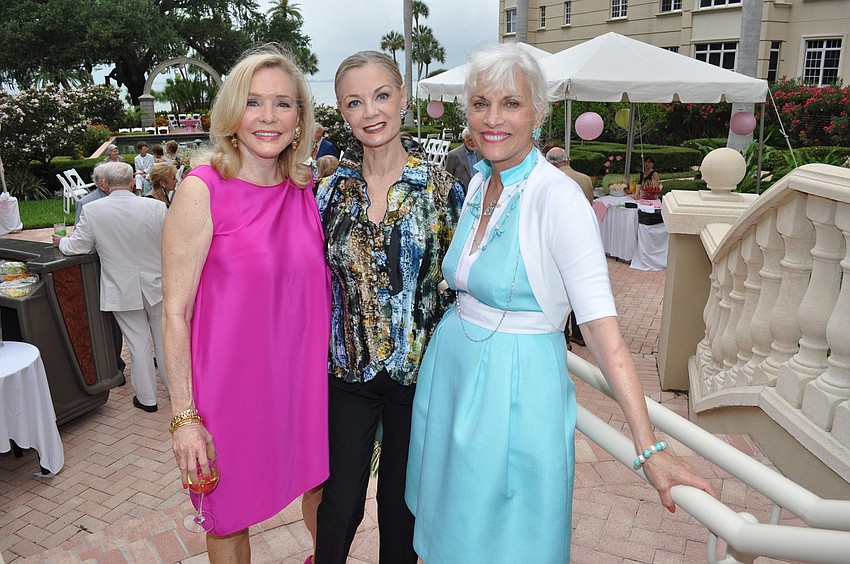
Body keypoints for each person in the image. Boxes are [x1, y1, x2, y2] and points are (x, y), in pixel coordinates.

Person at [405, 43, 715, 563]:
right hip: (454, 373)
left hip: (514, 388)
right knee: (449, 529)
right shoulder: (481, 180)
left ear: (538, 112)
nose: (493, 118)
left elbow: (601, 329)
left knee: (505, 539)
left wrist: (649, 447)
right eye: (480, 104)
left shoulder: (557, 198)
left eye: (511, 103)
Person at [161, 44, 331, 564]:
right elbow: (174, 313)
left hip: (304, 386)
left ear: (300, 117)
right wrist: (184, 417)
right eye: (254, 102)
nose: (268, 116)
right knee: (229, 517)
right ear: (232, 112)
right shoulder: (202, 189)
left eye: (283, 104)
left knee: (325, 496)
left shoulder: (305, 189)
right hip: (229, 395)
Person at [314, 50, 463, 564]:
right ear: (341, 110)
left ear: (403, 95)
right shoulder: (327, 194)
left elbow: (463, 286)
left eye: (381, 95)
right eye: (355, 102)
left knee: (402, 508)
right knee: (340, 506)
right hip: (347, 375)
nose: (371, 111)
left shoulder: (443, 191)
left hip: (418, 378)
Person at [53, 161, 168, 413]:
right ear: (132, 182)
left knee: (137, 344)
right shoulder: (157, 206)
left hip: (122, 287)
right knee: (164, 340)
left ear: (105, 183)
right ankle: (174, 391)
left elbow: (77, 247)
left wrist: (61, 241)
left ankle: (148, 399)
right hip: (157, 284)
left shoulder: (93, 211)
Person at [73, 162, 127, 376]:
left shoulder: (126, 200)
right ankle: (115, 364)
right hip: (102, 266)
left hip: (127, 266)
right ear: (101, 183)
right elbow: (82, 239)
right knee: (110, 322)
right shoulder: (87, 203)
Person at [443, 126, 481, 192]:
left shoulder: (481, 153)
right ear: (463, 140)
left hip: (479, 192)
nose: (473, 142)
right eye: (470, 140)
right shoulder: (453, 155)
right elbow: (447, 177)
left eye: (474, 139)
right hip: (462, 193)